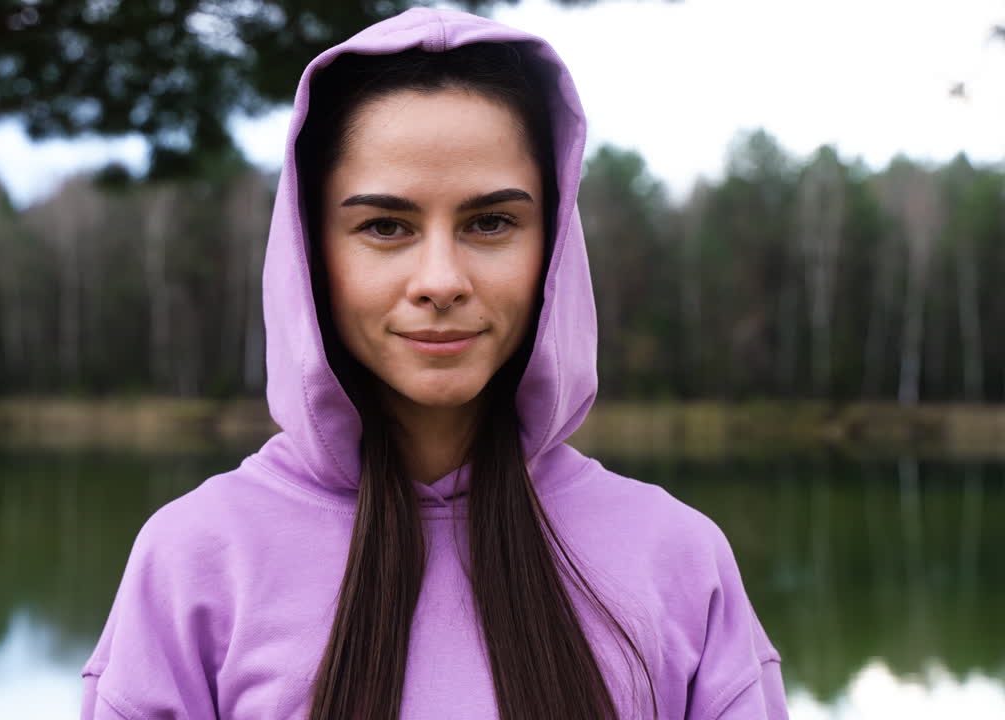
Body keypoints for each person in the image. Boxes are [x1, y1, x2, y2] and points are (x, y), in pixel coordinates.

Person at [80, 7, 787, 719]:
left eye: (490, 222)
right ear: (311, 252)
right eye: (385, 226)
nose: (441, 280)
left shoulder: (678, 559)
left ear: (552, 249)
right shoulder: (195, 563)